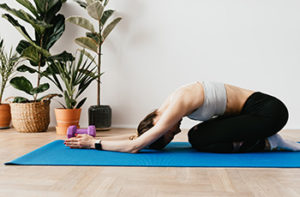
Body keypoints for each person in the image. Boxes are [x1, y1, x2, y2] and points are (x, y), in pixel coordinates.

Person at [64, 81, 300, 153]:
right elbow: (137, 137)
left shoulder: (175, 106)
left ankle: (273, 140)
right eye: (170, 136)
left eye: (166, 134)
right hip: (257, 113)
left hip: (270, 112)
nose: (175, 131)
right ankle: (268, 140)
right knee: (198, 135)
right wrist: (135, 136)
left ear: (156, 123)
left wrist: (93, 143)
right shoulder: (168, 106)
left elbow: (135, 146)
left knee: (197, 138)